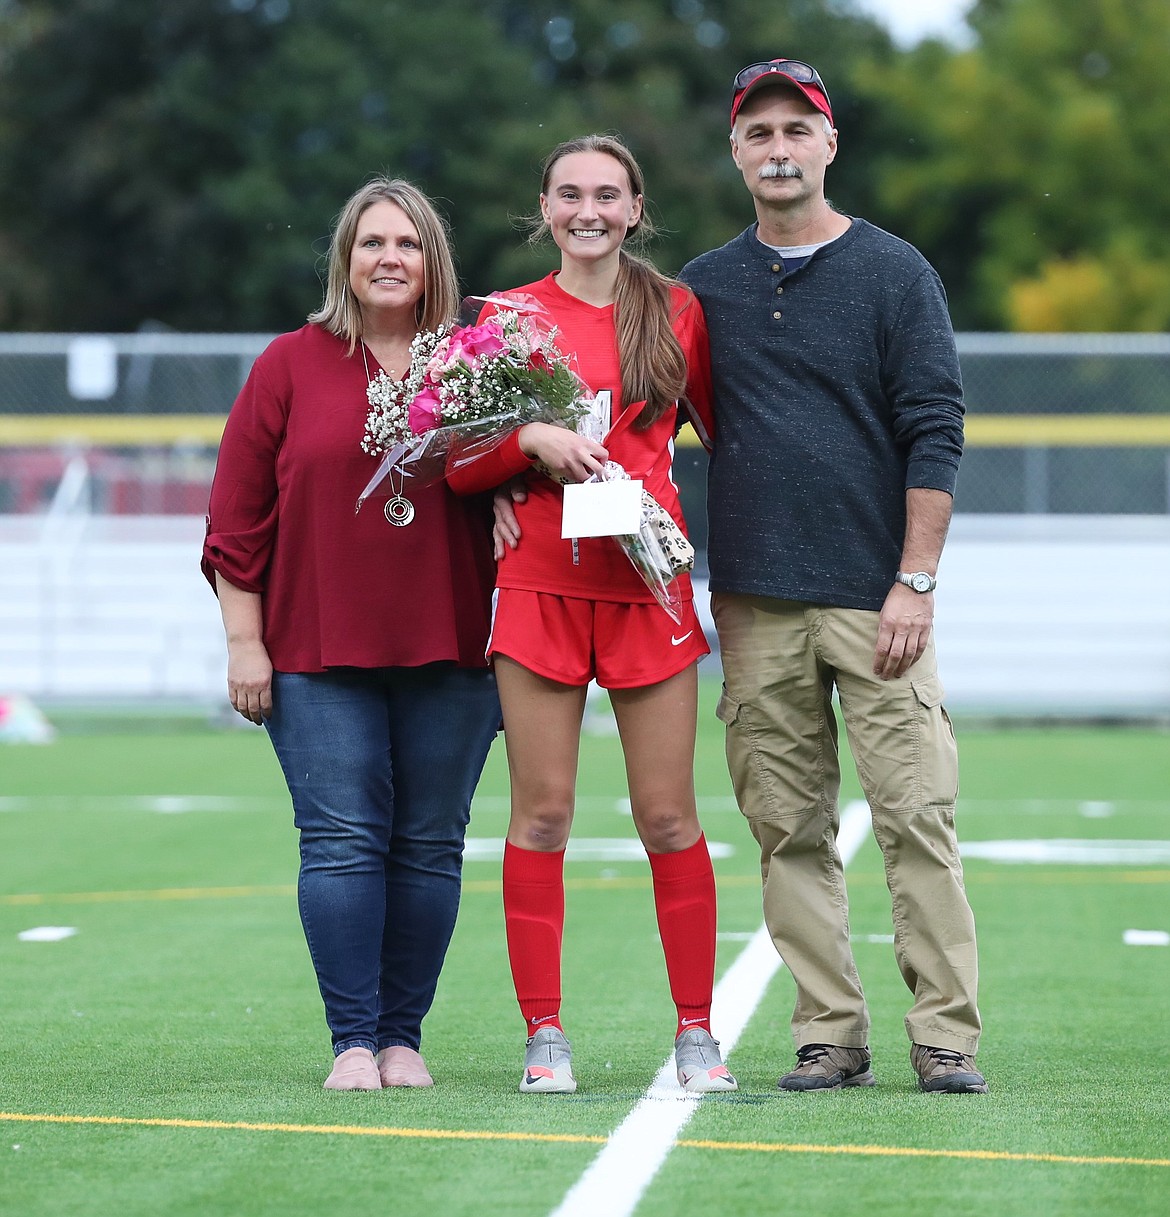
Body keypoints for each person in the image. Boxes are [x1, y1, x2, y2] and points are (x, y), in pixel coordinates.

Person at [676, 59, 987, 1094]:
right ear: (735, 150)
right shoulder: (703, 288)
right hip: (755, 603)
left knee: (915, 816)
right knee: (787, 828)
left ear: (827, 143)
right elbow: (635, 425)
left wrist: (917, 580)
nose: (777, 147)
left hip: (877, 597)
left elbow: (935, 430)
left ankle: (945, 1033)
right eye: (757, 131)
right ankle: (829, 1032)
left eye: (794, 130)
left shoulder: (897, 272)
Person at [448, 134, 736, 1095]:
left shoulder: (679, 310)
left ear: (636, 208)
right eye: (570, 193)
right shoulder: (504, 315)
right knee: (543, 813)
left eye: (607, 194)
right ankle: (544, 1036)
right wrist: (524, 442)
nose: (589, 210)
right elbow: (458, 460)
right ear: (544, 205)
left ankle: (697, 1033)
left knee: (667, 814)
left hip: (646, 590)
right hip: (538, 586)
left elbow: (725, 433)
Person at [202, 178, 501, 1091]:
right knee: (339, 840)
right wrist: (243, 644)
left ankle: (404, 1037)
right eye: (371, 242)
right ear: (345, 258)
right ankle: (353, 1043)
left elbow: (525, 476)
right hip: (313, 649)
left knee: (428, 843)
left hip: (455, 645)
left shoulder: (480, 362)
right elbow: (236, 519)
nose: (388, 258)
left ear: (432, 260)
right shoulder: (290, 364)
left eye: (407, 244)